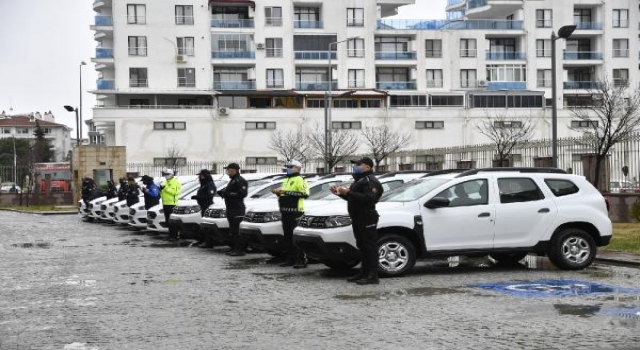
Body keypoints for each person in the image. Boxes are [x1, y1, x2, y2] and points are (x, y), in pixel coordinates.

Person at [331, 157, 384, 285]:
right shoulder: (359, 180)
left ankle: (372, 275)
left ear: (368, 167)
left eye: (359, 165)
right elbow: (354, 199)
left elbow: (369, 198)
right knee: (362, 246)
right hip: (357, 217)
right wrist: (341, 194)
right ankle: (364, 271)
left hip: (367, 216)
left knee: (369, 246)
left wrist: (348, 192)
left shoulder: (370, 181)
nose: (356, 167)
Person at [272, 160, 309, 268]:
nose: (287, 168)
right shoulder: (287, 180)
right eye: (287, 167)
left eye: (290, 166)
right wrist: (278, 193)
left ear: (297, 168)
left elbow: (304, 194)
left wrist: (285, 192)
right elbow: (285, 195)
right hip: (285, 212)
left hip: (295, 212)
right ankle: (291, 259)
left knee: (296, 237)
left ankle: (301, 260)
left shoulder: (300, 179)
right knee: (287, 237)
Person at [218, 163, 248, 256]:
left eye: (229, 170)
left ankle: (240, 249)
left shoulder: (240, 180)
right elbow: (230, 191)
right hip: (231, 208)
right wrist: (223, 193)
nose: (227, 172)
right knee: (233, 230)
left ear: (234, 170)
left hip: (237, 209)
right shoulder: (232, 180)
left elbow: (242, 194)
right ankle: (235, 248)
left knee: (237, 230)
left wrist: (228, 194)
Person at [191, 169, 217, 247]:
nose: (200, 177)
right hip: (203, 206)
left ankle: (209, 242)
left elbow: (209, 196)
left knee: (206, 226)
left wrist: (198, 197)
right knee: (204, 226)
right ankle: (204, 240)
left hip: (207, 206)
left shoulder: (210, 184)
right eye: (200, 175)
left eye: (202, 175)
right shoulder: (204, 184)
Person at [160, 169, 181, 241]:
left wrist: (165, 188)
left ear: (172, 175)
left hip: (172, 204)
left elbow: (175, 192)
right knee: (167, 221)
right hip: (165, 203)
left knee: (172, 222)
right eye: (165, 174)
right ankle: (170, 235)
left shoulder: (176, 182)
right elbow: (163, 192)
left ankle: (174, 236)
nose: (166, 176)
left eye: (167, 174)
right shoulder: (165, 182)